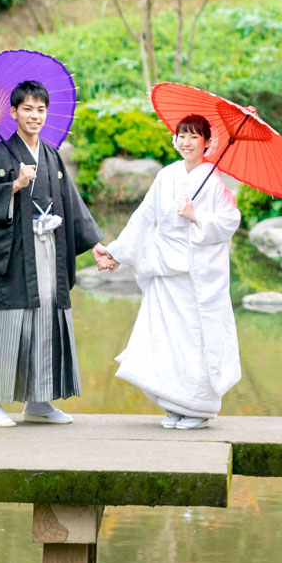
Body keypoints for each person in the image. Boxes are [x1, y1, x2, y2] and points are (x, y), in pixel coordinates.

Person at [0, 79, 114, 428]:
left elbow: (72, 205)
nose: (35, 115)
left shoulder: (51, 155)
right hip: (17, 253)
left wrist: (95, 243)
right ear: (14, 113)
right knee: (13, 321)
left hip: (51, 249)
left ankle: (39, 400)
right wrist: (14, 186)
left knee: (48, 319)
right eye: (28, 109)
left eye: (41, 109)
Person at [104, 113, 242, 429]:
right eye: (181, 135)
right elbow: (143, 218)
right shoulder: (166, 176)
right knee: (167, 339)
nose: (186, 141)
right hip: (165, 269)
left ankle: (198, 407)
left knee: (194, 339)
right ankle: (175, 404)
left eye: (194, 136)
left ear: (208, 143)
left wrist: (197, 217)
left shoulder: (214, 181)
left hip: (195, 277)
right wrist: (116, 252)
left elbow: (230, 221)